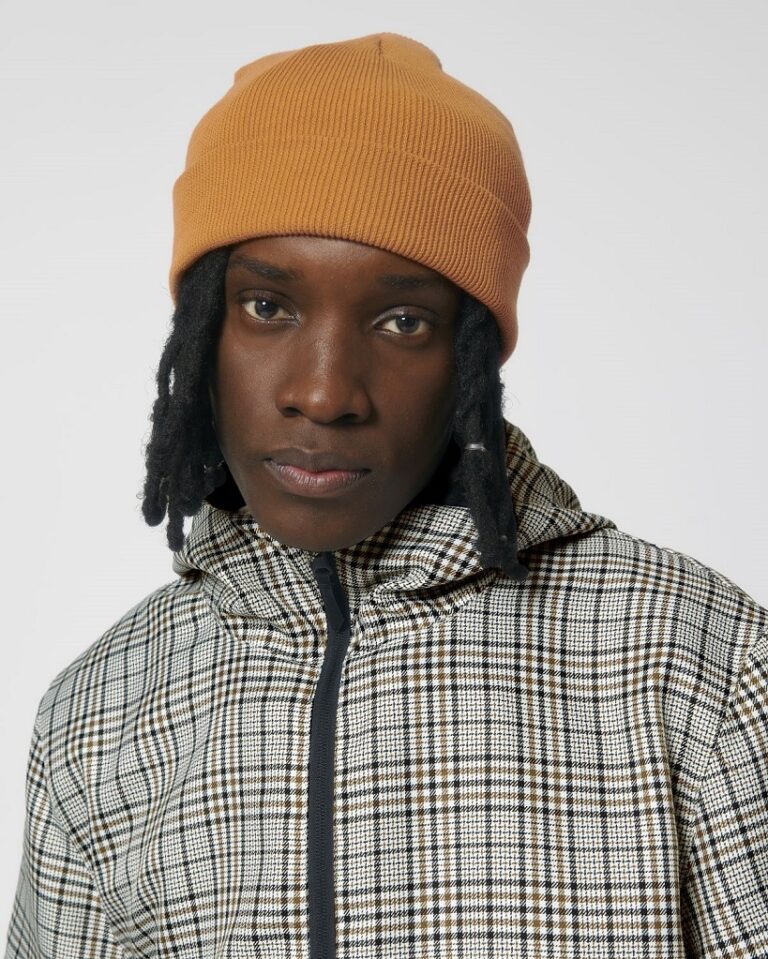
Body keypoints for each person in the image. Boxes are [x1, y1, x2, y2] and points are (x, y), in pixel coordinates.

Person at [5, 31, 767, 959]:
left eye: (403, 321)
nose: (325, 392)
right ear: (201, 328)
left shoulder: (695, 661)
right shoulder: (96, 714)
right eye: (267, 307)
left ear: (471, 357)